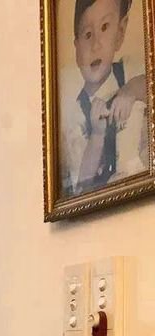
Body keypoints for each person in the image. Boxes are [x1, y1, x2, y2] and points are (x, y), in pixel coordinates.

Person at [61, 0, 149, 195]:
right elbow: (81, 186)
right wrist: (97, 136)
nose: (96, 45)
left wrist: (131, 90)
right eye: (88, 35)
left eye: (104, 27)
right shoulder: (75, 115)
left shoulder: (129, 71)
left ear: (120, 33)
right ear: (76, 48)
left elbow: (149, 83)